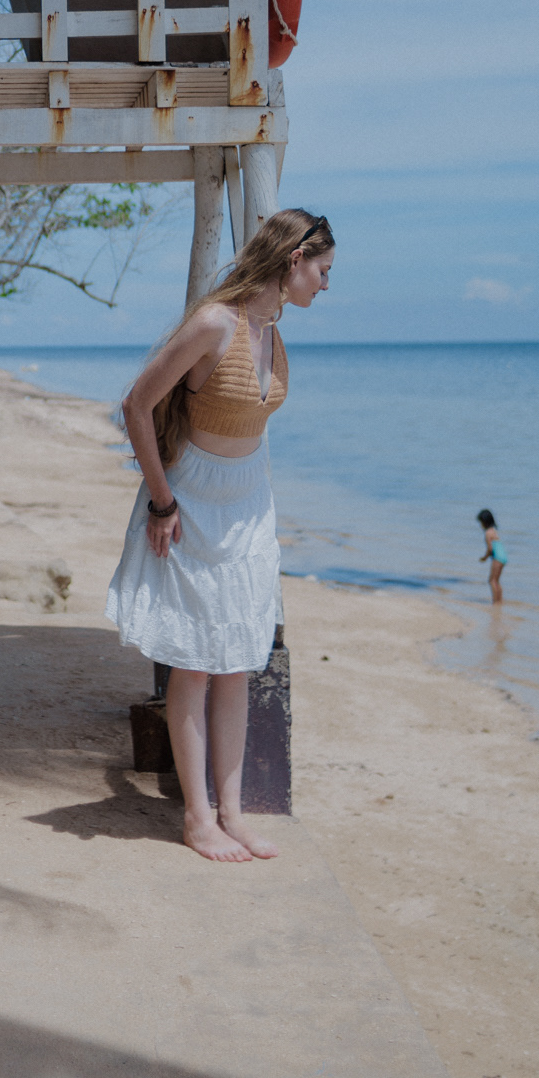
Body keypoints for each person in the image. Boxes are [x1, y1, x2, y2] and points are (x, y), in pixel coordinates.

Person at [108, 208, 335, 863]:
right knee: (194, 661)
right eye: (322, 270)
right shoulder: (215, 324)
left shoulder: (272, 330)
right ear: (294, 259)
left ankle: (231, 813)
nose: (325, 284)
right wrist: (161, 502)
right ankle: (197, 817)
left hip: (250, 505)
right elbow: (136, 404)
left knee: (237, 659)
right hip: (193, 502)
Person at [477, 509, 507, 603]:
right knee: (496, 581)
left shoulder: (487, 533)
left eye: (481, 522)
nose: (480, 525)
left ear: (485, 522)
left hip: (497, 558)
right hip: (503, 557)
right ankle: (500, 601)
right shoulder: (494, 531)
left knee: (492, 580)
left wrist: (484, 558)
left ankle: (495, 602)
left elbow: (490, 549)